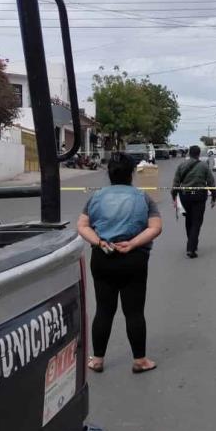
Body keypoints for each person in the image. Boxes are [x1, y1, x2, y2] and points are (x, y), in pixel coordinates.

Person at [78, 152, 162, 374]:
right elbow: (155, 228)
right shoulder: (143, 198)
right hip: (133, 259)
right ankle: (140, 360)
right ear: (132, 173)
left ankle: (97, 360)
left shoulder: (95, 197)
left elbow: (82, 225)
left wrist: (99, 241)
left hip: (102, 257)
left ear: (109, 173)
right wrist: (132, 244)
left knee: (104, 310)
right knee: (134, 311)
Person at [171, 145, 216, 258]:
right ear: (198, 154)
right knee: (196, 222)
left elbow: (176, 183)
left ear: (189, 153)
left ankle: (191, 243)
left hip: (185, 197)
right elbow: (211, 182)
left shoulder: (181, 165)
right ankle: (191, 247)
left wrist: (174, 197)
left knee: (189, 220)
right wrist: (214, 197)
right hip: (199, 197)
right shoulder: (204, 166)